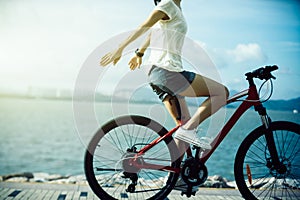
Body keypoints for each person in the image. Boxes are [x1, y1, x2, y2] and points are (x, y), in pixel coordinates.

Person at [100, 0, 229, 189]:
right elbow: (146, 25)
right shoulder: (168, 4)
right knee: (221, 92)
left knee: (184, 124)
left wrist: (140, 53)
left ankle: (174, 179)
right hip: (168, 72)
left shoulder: (174, 8)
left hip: (156, 74)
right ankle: (186, 133)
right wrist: (119, 48)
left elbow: (154, 31)